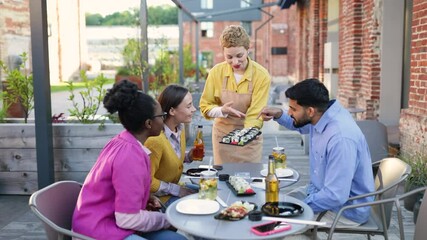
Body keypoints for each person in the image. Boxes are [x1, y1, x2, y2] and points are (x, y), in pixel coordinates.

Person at [72, 80, 187, 240]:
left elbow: (120, 189)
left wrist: (145, 199)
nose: (164, 120)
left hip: (110, 220)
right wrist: (168, 220)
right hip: (98, 231)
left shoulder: (122, 141)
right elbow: (128, 219)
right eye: (161, 116)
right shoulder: (130, 157)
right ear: (148, 123)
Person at [259, 78, 374, 226]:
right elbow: (299, 124)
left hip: (344, 210)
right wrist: (279, 114)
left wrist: (299, 207)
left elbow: (335, 196)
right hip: (318, 191)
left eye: (293, 109)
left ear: (310, 111)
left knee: (276, 224)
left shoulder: (341, 139)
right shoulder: (322, 114)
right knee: (271, 206)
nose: (290, 112)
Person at [199, 25, 271, 164]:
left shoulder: (261, 76)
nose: (235, 62)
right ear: (223, 53)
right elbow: (205, 106)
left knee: (249, 180)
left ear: (248, 49)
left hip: (249, 138)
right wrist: (221, 110)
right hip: (222, 137)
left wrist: (243, 137)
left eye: (240, 56)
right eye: (229, 57)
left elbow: (255, 113)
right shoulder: (216, 72)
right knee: (223, 180)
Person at [144, 84, 198, 207]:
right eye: (189, 106)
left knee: (209, 192)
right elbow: (148, 181)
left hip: (174, 189)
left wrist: (188, 156)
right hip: (158, 200)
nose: (194, 109)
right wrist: (178, 191)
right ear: (172, 111)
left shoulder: (180, 128)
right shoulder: (155, 141)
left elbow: (169, 158)